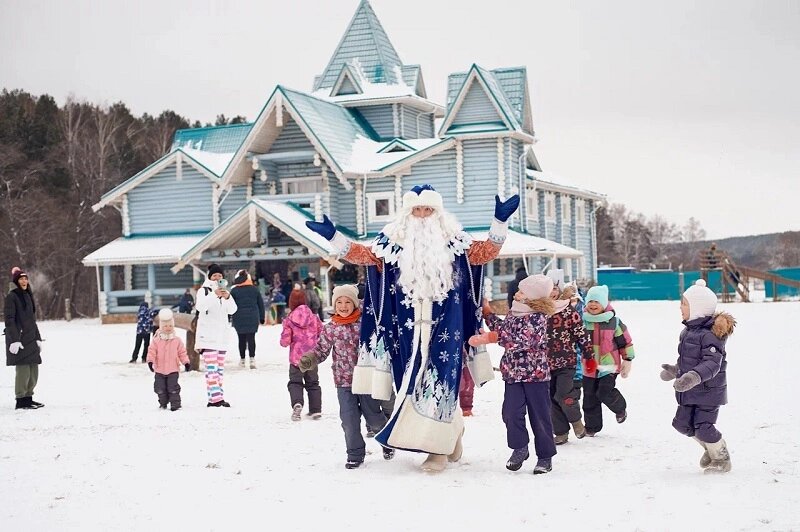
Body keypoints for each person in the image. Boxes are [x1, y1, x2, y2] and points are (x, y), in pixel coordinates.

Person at [306, 184, 518, 472]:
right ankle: (450, 434)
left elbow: (487, 252)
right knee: (411, 384)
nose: (421, 215)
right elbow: (362, 255)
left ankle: (437, 451)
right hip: (405, 331)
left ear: (438, 212)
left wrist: (500, 222)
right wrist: (334, 236)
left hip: (447, 327)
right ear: (406, 213)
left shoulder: (456, 243)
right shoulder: (391, 245)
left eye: (427, 209)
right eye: (416, 209)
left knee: (441, 383)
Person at [299, 285, 394, 468]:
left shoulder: (365, 323)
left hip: (365, 379)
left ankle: (386, 441)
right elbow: (321, 350)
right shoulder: (332, 328)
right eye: (339, 302)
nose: (343, 306)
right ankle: (355, 454)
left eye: (348, 302)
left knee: (374, 418)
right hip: (343, 381)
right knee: (349, 420)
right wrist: (308, 360)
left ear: (355, 303)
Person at [483, 274, 557, 474]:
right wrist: (488, 313)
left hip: (536, 375)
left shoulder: (538, 316)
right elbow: (503, 330)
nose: (517, 292)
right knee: (510, 412)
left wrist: (489, 338)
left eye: (522, 291)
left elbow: (521, 341)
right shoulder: (514, 313)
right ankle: (520, 447)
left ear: (532, 296)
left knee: (539, 416)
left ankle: (545, 456)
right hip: (513, 374)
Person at [661, 279, 735, 473]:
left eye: (684, 303)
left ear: (698, 308)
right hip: (690, 390)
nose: (680, 307)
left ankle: (721, 458)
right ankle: (711, 449)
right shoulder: (687, 332)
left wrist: (692, 377)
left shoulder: (711, 335)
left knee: (703, 427)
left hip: (709, 391)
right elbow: (688, 360)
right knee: (682, 424)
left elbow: (712, 364)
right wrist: (675, 370)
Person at [545, 272, 593, 445]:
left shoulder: (567, 310)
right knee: (551, 397)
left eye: (555, 288)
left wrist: (589, 354)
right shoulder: (539, 311)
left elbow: (581, 333)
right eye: (549, 289)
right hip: (545, 364)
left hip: (566, 362)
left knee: (563, 394)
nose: (552, 292)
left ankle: (576, 421)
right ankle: (561, 432)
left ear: (560, 289)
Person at [581, 285, 634, 435]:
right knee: (589, 397)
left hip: (609, 364)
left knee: (604, 392)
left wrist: (628, 359)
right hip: (589, 365)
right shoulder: (583, 321)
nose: (593, 304)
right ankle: (592, 427)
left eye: (596, 301)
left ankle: (620, 408)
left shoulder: (614, 322)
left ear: (604, 304)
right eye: (590, 301)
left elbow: (625, 342)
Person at [195, 263, 237, 407]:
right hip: (208, 337)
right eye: (214, 275)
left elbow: (232, 310)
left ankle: (214, 398)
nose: (217, 278)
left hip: (221, 337)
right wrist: (215, 294)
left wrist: (228, 297)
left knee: (218, 370)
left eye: (220, 276)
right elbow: (200, 307)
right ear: (210, 277)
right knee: (211, 369)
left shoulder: (225, 292)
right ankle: (216, 399)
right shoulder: (204, 291)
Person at [280, 286, 323, 421]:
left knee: (295, 383)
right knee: (313, 383)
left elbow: (285, 341)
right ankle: (315, 410)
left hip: (296, 359)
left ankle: (297, 403)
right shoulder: (314, 317)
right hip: (311, 356)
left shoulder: (289, 320)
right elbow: (322, 334)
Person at [5, 267, 44, 410]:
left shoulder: (27, 295)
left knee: (33, 371)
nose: (24, 280)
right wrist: (15, 339)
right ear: (16, 281)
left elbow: (32, 320)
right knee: (23, 371)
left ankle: (28, 398)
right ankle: (20, 400)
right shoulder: (12, 296)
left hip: (31, 338)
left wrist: (38, 338)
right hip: (20, 339)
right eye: (21, 279)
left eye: (26, 278)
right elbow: (9, 319)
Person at [146, 308, 190, 411]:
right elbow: (151, 351)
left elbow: (182, 352)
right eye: (165, 326)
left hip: (173, 369)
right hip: (159, 370)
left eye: (170, 325)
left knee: (173, 388)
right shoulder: (156, 341)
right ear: (161, 327)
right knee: (160, 388)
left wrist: (186, 362)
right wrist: (150, 361)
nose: (168, 328)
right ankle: (163, 402)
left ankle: (175, 404)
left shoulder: (177, 341)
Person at [230, 269, 265, 369]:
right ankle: (252, 359)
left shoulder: (234, 290)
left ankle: (242, 360)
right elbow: (260, 304)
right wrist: (262, 317)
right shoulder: (254, 289)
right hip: (252, 317)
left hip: (238, 317)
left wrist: (228, 317)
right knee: (251, 338)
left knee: (241, 339)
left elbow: (230, 305)